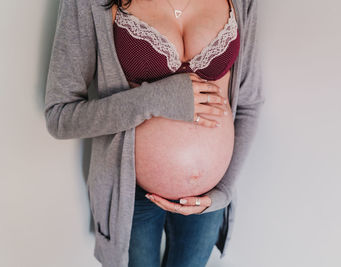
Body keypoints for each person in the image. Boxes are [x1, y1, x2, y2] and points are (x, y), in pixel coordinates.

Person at [44, 0, 264, 266]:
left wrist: (223, 192)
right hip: (132, 194)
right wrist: (154, 100)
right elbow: (61, 116)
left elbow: (249, 103)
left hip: (209, 198)